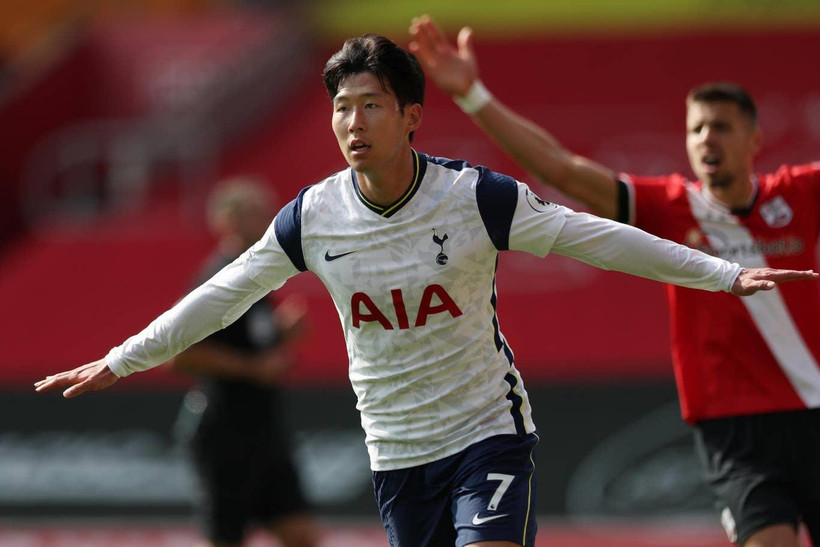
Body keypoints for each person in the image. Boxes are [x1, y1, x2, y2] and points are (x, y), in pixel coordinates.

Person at [35, 33, 817, 547]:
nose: (352, 120)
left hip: (488, 432)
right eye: (341, 106)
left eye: (370, 103)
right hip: (397, 449)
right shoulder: (312, 216)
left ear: (411, 116)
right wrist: (122, 357)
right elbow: (223, 294)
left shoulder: (476, 198)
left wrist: (721, 273)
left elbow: (597, 235)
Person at [408, 15, 820, 547]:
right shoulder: (671, 206)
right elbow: (561, 168)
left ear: (754, 139)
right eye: (696, 128)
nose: (707, 139)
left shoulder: (802, 194)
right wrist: (473, 95)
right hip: (734, 431)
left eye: (721, 126)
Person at [168, 179, 318, 547]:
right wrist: (255, 368)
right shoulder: (215, 280)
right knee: (226, 537)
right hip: (225, 431)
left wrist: (280, 335)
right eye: (254, 213)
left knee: (301, 534)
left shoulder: (255, 277)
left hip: (264, 430)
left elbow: (247, 341)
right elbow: (180, 354)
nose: (266, 220)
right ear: (226, 221)